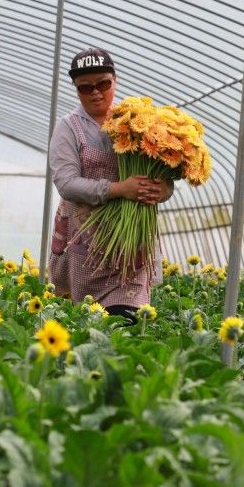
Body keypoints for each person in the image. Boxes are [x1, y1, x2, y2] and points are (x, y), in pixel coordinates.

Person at [48, 48, 171, 323]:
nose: (95, 92)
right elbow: (67, 184)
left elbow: (163, 175)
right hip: (86, 246)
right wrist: (120, 189)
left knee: (129, 320)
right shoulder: (68, 128)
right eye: (85, 87)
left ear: (115, 80)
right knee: (90, 323)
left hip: (132, 244)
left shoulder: (138, 124)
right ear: (77, 90)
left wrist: (162, 190)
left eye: (103, 84)